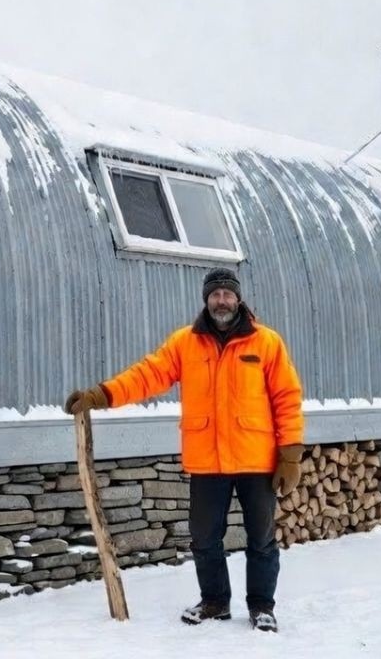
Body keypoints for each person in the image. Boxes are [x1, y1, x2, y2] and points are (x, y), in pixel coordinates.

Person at [64, 268, 304, 631]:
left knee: (262, 539)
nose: (221, 300)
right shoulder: (185, 342)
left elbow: (287, 398)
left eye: (228, 294)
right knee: (205, 539)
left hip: (257, 458)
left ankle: (261, 607)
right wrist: (101, 395)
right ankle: (214, 602)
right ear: (206, 299)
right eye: (215, 294)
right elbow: (148, 375)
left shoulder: (266, 342)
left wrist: (290, 455)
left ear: (238, 298)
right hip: (207, 460)